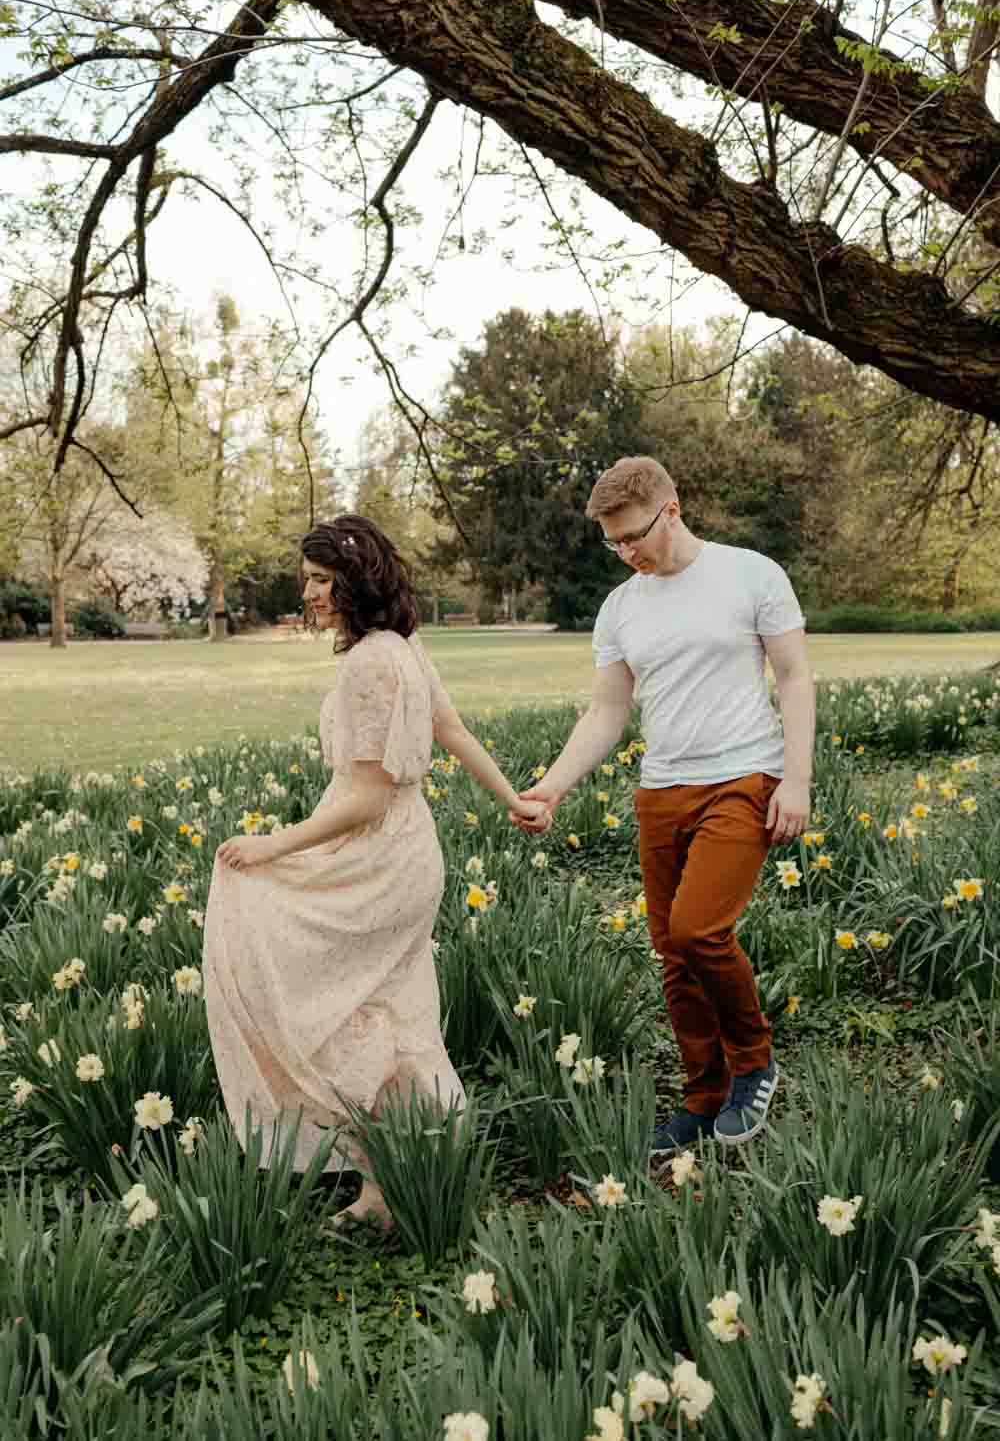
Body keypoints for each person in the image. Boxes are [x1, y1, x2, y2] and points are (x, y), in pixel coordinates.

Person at [204, 516, 545, 1227]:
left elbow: (364, 797)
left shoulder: (369, 662)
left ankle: (389, 1169)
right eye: (308, 579)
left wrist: (275, 844)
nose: (311, 593)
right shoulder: (401, 645)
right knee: (391, 1005)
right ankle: (398, 1176)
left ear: (359, 581)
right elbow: (451, 732)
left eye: (325, 580)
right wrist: (512, 797)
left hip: (373, 855)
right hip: (408, 847)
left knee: (318, 989)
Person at [515, 457, 815, 1151]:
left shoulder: (751, 575)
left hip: (744, 777)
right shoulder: (622, 607)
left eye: (634, 537)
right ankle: (704, 1097)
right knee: (673, 956)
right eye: (613, 543)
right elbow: (605, 713)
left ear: (671, 508)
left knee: (697, 931)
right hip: (662, 789)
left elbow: (796, 678)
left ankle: (754, 1061)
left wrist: (795, 781)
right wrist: (552, 785)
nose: (626, 553)